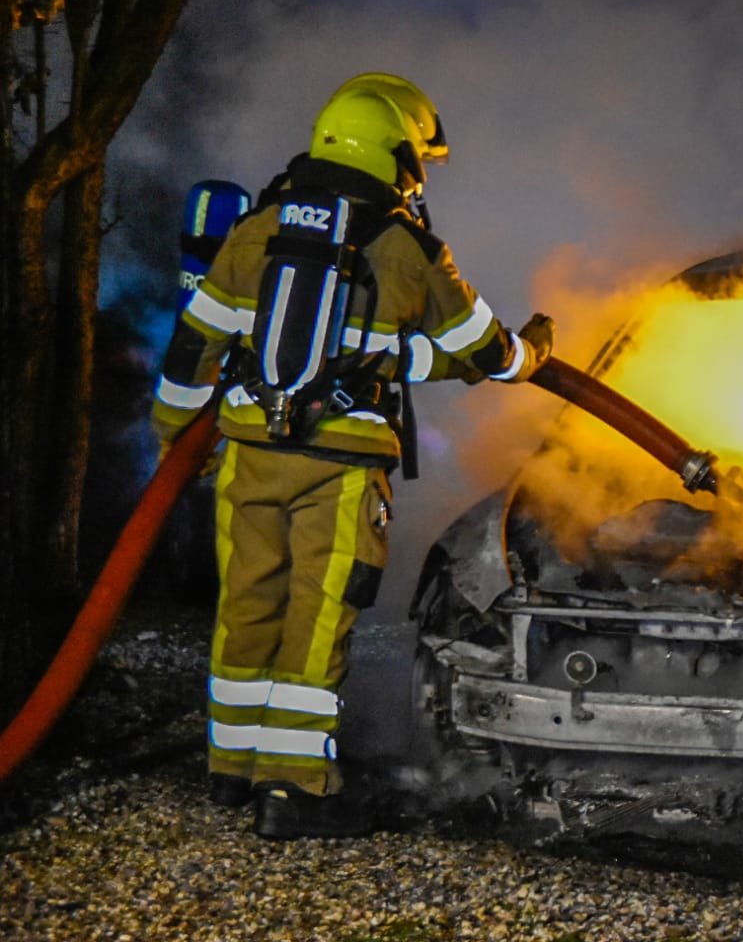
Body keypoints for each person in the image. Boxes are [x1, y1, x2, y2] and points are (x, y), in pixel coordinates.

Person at [150, 73, 554, 839]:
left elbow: (195, 345)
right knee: (317, 615)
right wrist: (532, 351)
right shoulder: (408, 248)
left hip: (247, 453)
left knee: (246, 607)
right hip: (338, 465)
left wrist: (177, 437)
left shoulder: (255, 231)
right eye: (417, 159)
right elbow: (484, 352)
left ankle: (231, 773)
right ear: (394, 154)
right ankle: (296, 793)